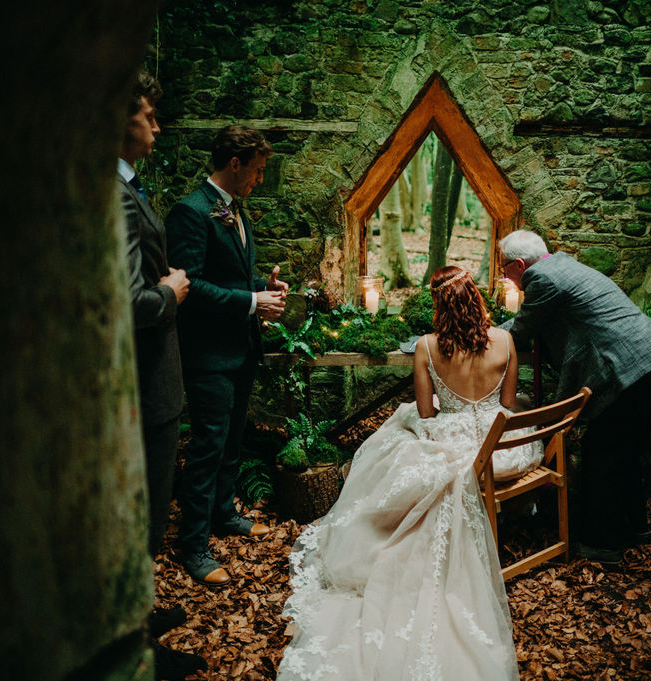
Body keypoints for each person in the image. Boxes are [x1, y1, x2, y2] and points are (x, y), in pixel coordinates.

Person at [277, 266, 541, 681]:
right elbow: (506, 409)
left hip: (456, 447)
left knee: (395, 435)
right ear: (475, 298)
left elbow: (424, 413)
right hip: (502, 453)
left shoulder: (426, 346)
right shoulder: (506, 341)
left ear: (439, 305)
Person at [497, 230, 651, 565]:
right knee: (627, 450)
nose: (504, 275)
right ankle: (634, 528)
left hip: (635, 369)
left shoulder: (542, 279)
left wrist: (483, 333)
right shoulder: (563, 265)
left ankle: (602, 545)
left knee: (603, 452)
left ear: (519, 265)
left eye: (504, 268)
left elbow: (521, 331)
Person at [166, 125, 286, 586]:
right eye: (256, 171)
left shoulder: (236, 210)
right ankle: (193, 546)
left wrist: (262, 287)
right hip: (208, 355)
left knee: (232, 441)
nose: (259, 179)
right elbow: (189, 288)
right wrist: (253, 303)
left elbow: (232, 277)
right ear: (234, 164)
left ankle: (222, 515)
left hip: (240, 350)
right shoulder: (191, 212)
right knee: (207, 447)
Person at [118, 69, 204, 681]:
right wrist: (170, 290)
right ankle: (135, 651)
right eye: (148, 114)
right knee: (144, 514)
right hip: (145, 381)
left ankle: (140, 619)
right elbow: (130, 301)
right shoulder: (116, 196)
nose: (157, 126)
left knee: (150, 508)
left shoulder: (132, 187)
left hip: (155, 377)